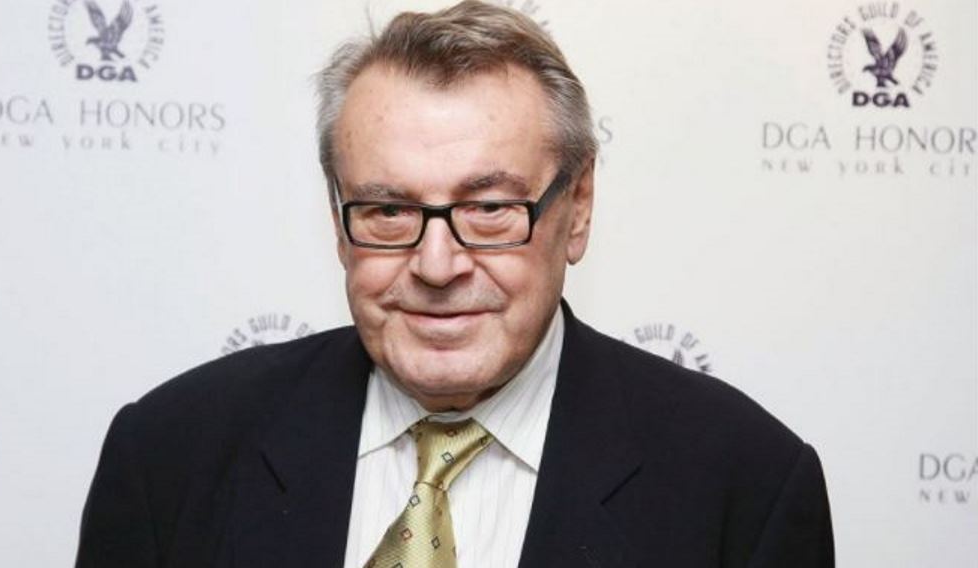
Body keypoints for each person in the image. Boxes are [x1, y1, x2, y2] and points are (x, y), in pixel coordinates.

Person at [76, 2, 834, 567]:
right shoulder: (168, 456)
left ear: (577, 209)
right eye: (387, 210)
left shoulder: (746, 488)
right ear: (338, 221)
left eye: (490, 208)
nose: (437, 266)